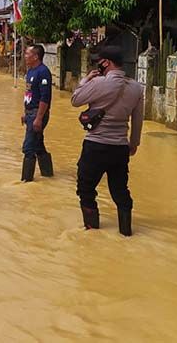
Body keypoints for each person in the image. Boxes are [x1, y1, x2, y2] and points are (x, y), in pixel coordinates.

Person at [71, 45, 144, 236]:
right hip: (120, 148)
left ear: (106, 63)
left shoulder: (98, 83)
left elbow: (75, 99)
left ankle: (92, 232)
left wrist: (85, 80)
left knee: (86, 189)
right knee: (120, 191)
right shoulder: (136, 88)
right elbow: (138, 119)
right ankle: (126, 233)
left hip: (95, 145)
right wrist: (133, 143)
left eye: (99, 62)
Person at [21, 44, 54, 181]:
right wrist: (25, 112)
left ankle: (26, 180)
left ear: (35, 56)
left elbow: (45, 97)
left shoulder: (43, 72)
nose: (25, 56)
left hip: (37, 113)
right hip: (30, 112)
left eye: (27, 54)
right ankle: (48, 174)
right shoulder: (30, 71)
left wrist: (39, 118)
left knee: (28, 147)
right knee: (38, 145)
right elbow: (29, 94)